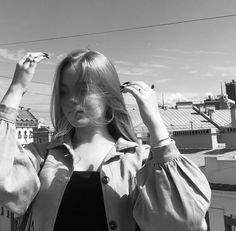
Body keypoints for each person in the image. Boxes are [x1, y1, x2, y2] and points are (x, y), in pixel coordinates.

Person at [0, 49, 211, 231]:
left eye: (83, 88)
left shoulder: (142, 161)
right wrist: (16, 89)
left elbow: (184, 221)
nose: (71, 100)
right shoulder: (41, 155)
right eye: (64, 92)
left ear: (108, 94)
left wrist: (155, 123)